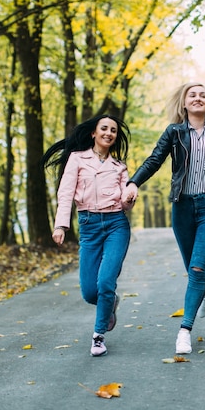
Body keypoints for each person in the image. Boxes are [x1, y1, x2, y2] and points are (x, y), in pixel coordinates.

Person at [122, 82, 205, 354]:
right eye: (193, 95)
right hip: (182, 207)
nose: (198, 98)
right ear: (185, 103)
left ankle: (184, 331)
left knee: (197, 270)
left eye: (203, 95)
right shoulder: (175, 132)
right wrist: (134, 183)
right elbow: (154, 160)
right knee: (192, 268)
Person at [41, 114, 135, 357]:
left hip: (116, 225)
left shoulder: (120, 166)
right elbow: (65, 193)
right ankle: (110, 303)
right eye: (104, 128)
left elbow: (126, 203)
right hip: (89, 226)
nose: (109, 133)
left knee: (105, 283)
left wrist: (128, 199)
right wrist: (61, 225)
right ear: (94, 133)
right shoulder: (76, 159)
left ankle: (98, 336)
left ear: (115, 137)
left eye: (113, 130)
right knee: (89, 292)